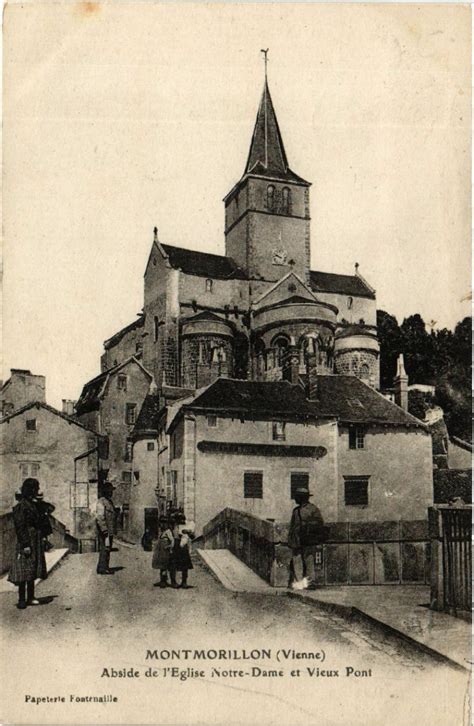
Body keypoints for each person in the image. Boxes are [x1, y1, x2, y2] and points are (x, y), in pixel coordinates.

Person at [8, 478, 48, 609]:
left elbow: (48, 510)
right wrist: (25, 544)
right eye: (36, 488)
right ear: (31, 490)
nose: (37, 490)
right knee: (23, 570)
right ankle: (21, 599)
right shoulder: (21, 506)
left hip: (35, 539)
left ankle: (31, 597)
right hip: (26, 540)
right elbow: (20, 527)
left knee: (32, 568)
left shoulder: (34, 504)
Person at [288, 487, 324, 591]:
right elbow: (292, 527)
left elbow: (319, 523)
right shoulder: (296, 511)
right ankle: (300, 583)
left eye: (297, 497)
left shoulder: (312, 509)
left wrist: (306, 526)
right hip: (297, 540)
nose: (295, 499)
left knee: (308, 560)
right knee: (299, 561)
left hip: (308, 539)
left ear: (301, 498)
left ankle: (309, 583)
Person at [95, 482, 116, 575]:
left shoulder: (109, 502)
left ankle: (103, 567)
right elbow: (100, 517)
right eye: (110, 491)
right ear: (106, 491)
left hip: (109, 530)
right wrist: (104, 530)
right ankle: (102, 568)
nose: (112, 492)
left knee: (107, 548)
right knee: (105, 548)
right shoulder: (101, 502)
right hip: (105, 531)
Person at [152, 516, 178, 588]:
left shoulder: (168, 531)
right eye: (161, 523)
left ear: (167, 524)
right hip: (161, 552)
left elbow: (172, 540)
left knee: (168, 566)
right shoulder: (162, 532)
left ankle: (173, 582)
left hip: (167, 552)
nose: (162, 525)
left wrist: (169, 547)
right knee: (162, 566)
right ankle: (163, 581)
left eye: (164, 523)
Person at [172, 513, 194, 589]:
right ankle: (173, 582)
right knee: (174, 564)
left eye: (183, 519)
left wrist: (188, 532)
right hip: (175, 545)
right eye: (180, 520)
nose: (182, 521)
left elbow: (192, 537)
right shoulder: (173, 526)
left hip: (184, 546)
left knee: (185, 565)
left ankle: (184, 582)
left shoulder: (187, 526)